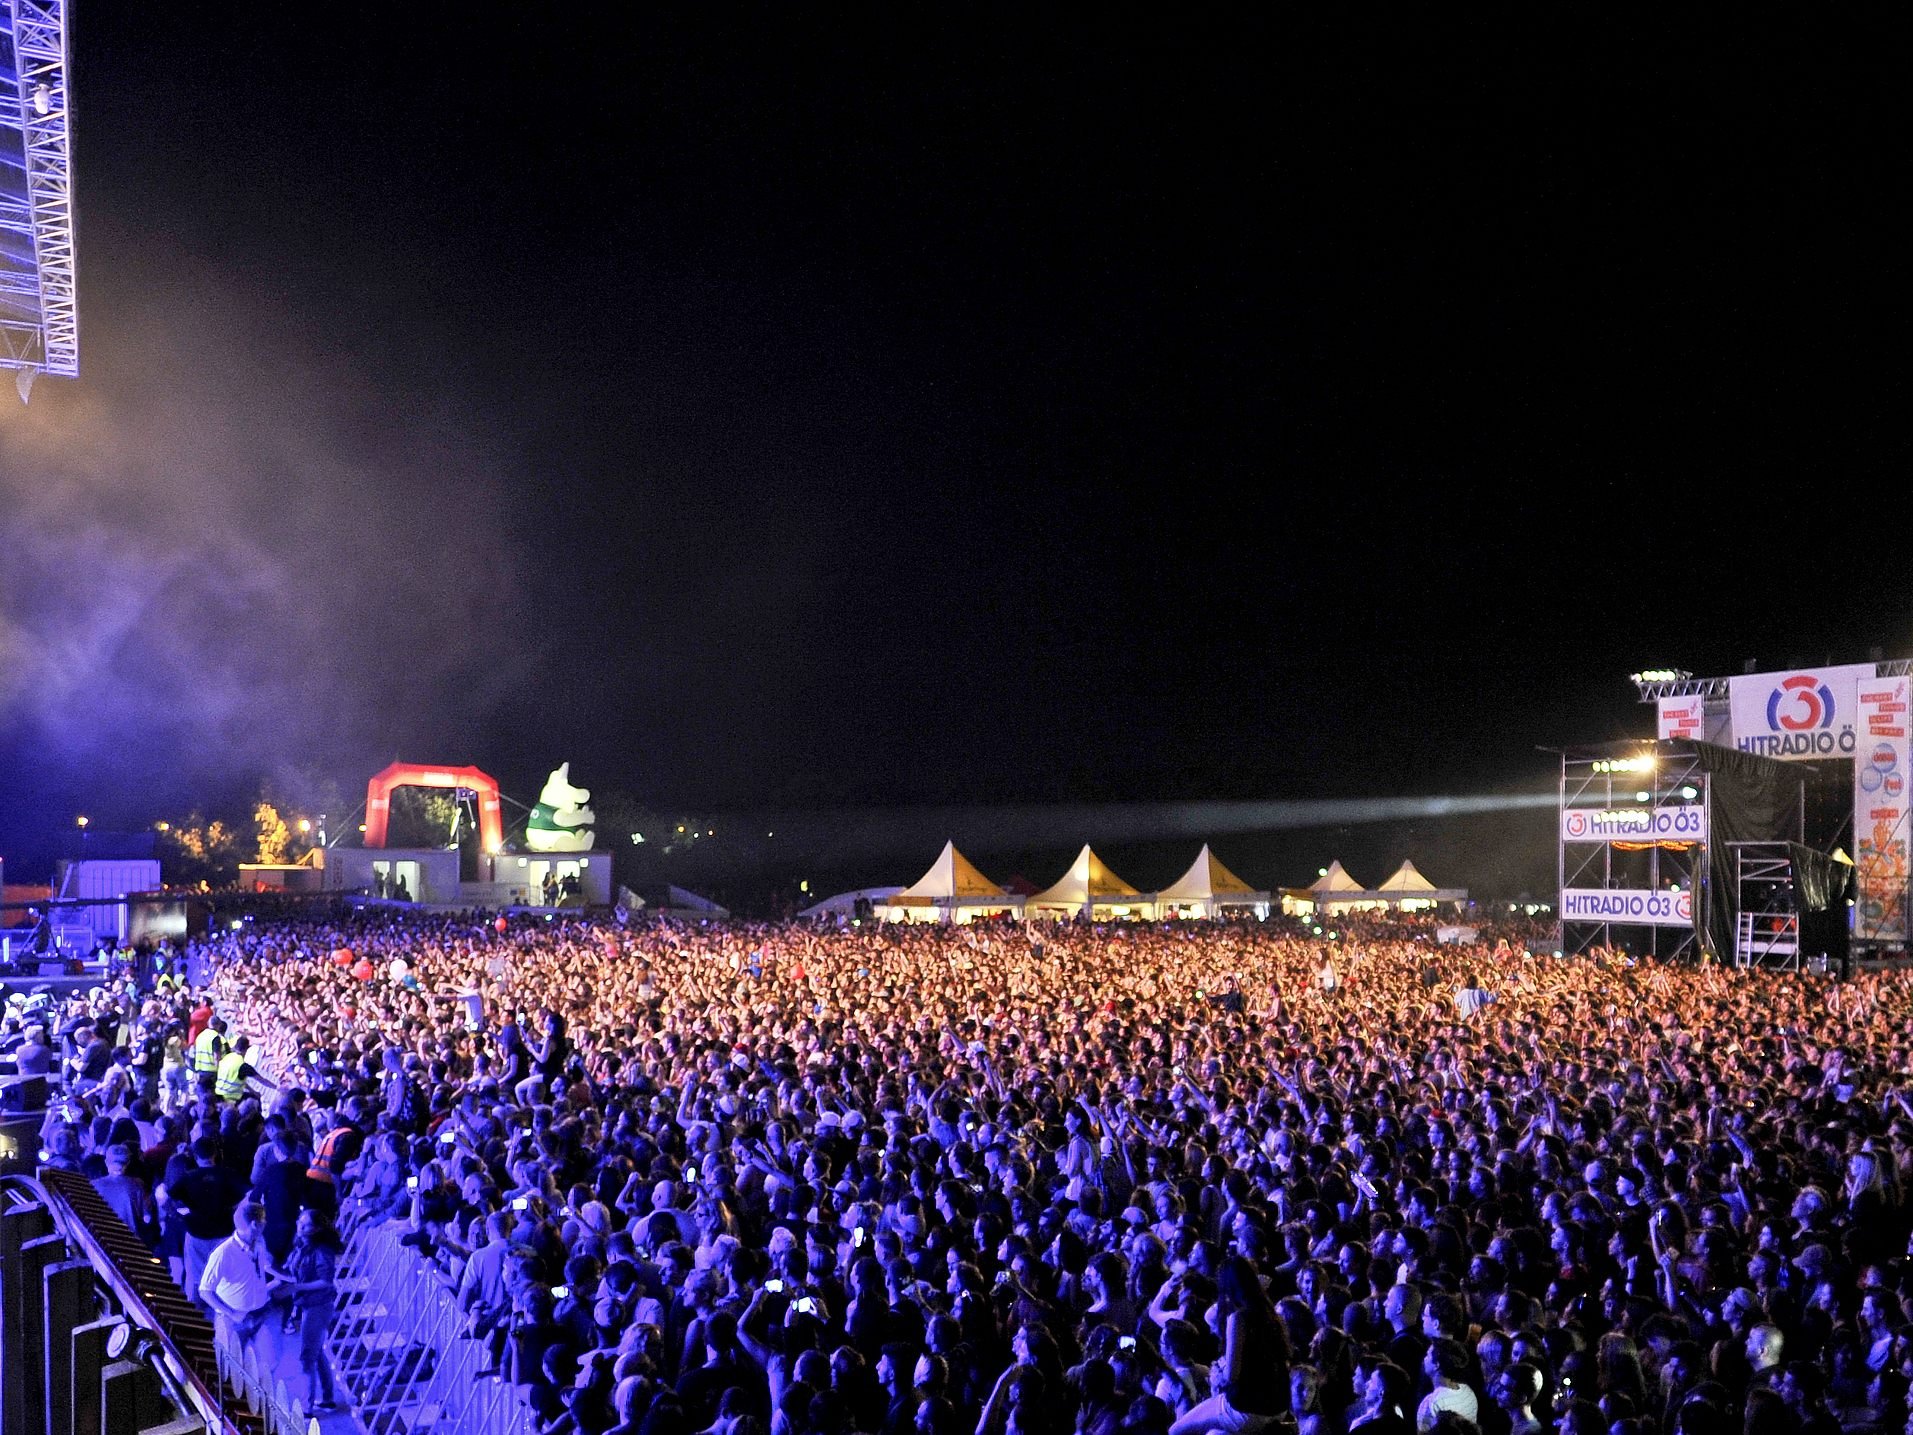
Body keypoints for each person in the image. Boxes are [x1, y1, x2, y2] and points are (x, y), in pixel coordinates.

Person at [1169, 1256, 1293, 1435]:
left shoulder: (1238, 1318)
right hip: (1279, 1408)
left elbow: (1232, 1376)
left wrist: (1218, 1374)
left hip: (1246, 1410)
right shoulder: (1271, 1314)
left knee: (1176, 1430)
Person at [199, 1199, 286, 1364]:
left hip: (261, 1314)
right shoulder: (223, 1253)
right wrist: (232, 1314)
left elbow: (258, 1271)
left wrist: (277, 1281)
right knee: (232, 1368)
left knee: (270, 1364)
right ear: (255, 1224)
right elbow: (205, 1290)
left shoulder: (259, 1243)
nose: (266, 1223)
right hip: (233, 1321)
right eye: (263, 1219)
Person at [278, 1207, 345, 1412]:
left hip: (319, 1306)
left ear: (315, 1229)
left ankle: (307, 1409)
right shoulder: (302, 1245)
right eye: (300, 1222)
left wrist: (296, 1287)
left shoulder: (322, 1251)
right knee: (316, 1353)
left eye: (305, 1225)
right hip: (309, 1305)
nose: (299, 1226)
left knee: (308, 1356)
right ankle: (327, 1398)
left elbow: (326, 1281)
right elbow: (292, 1270)